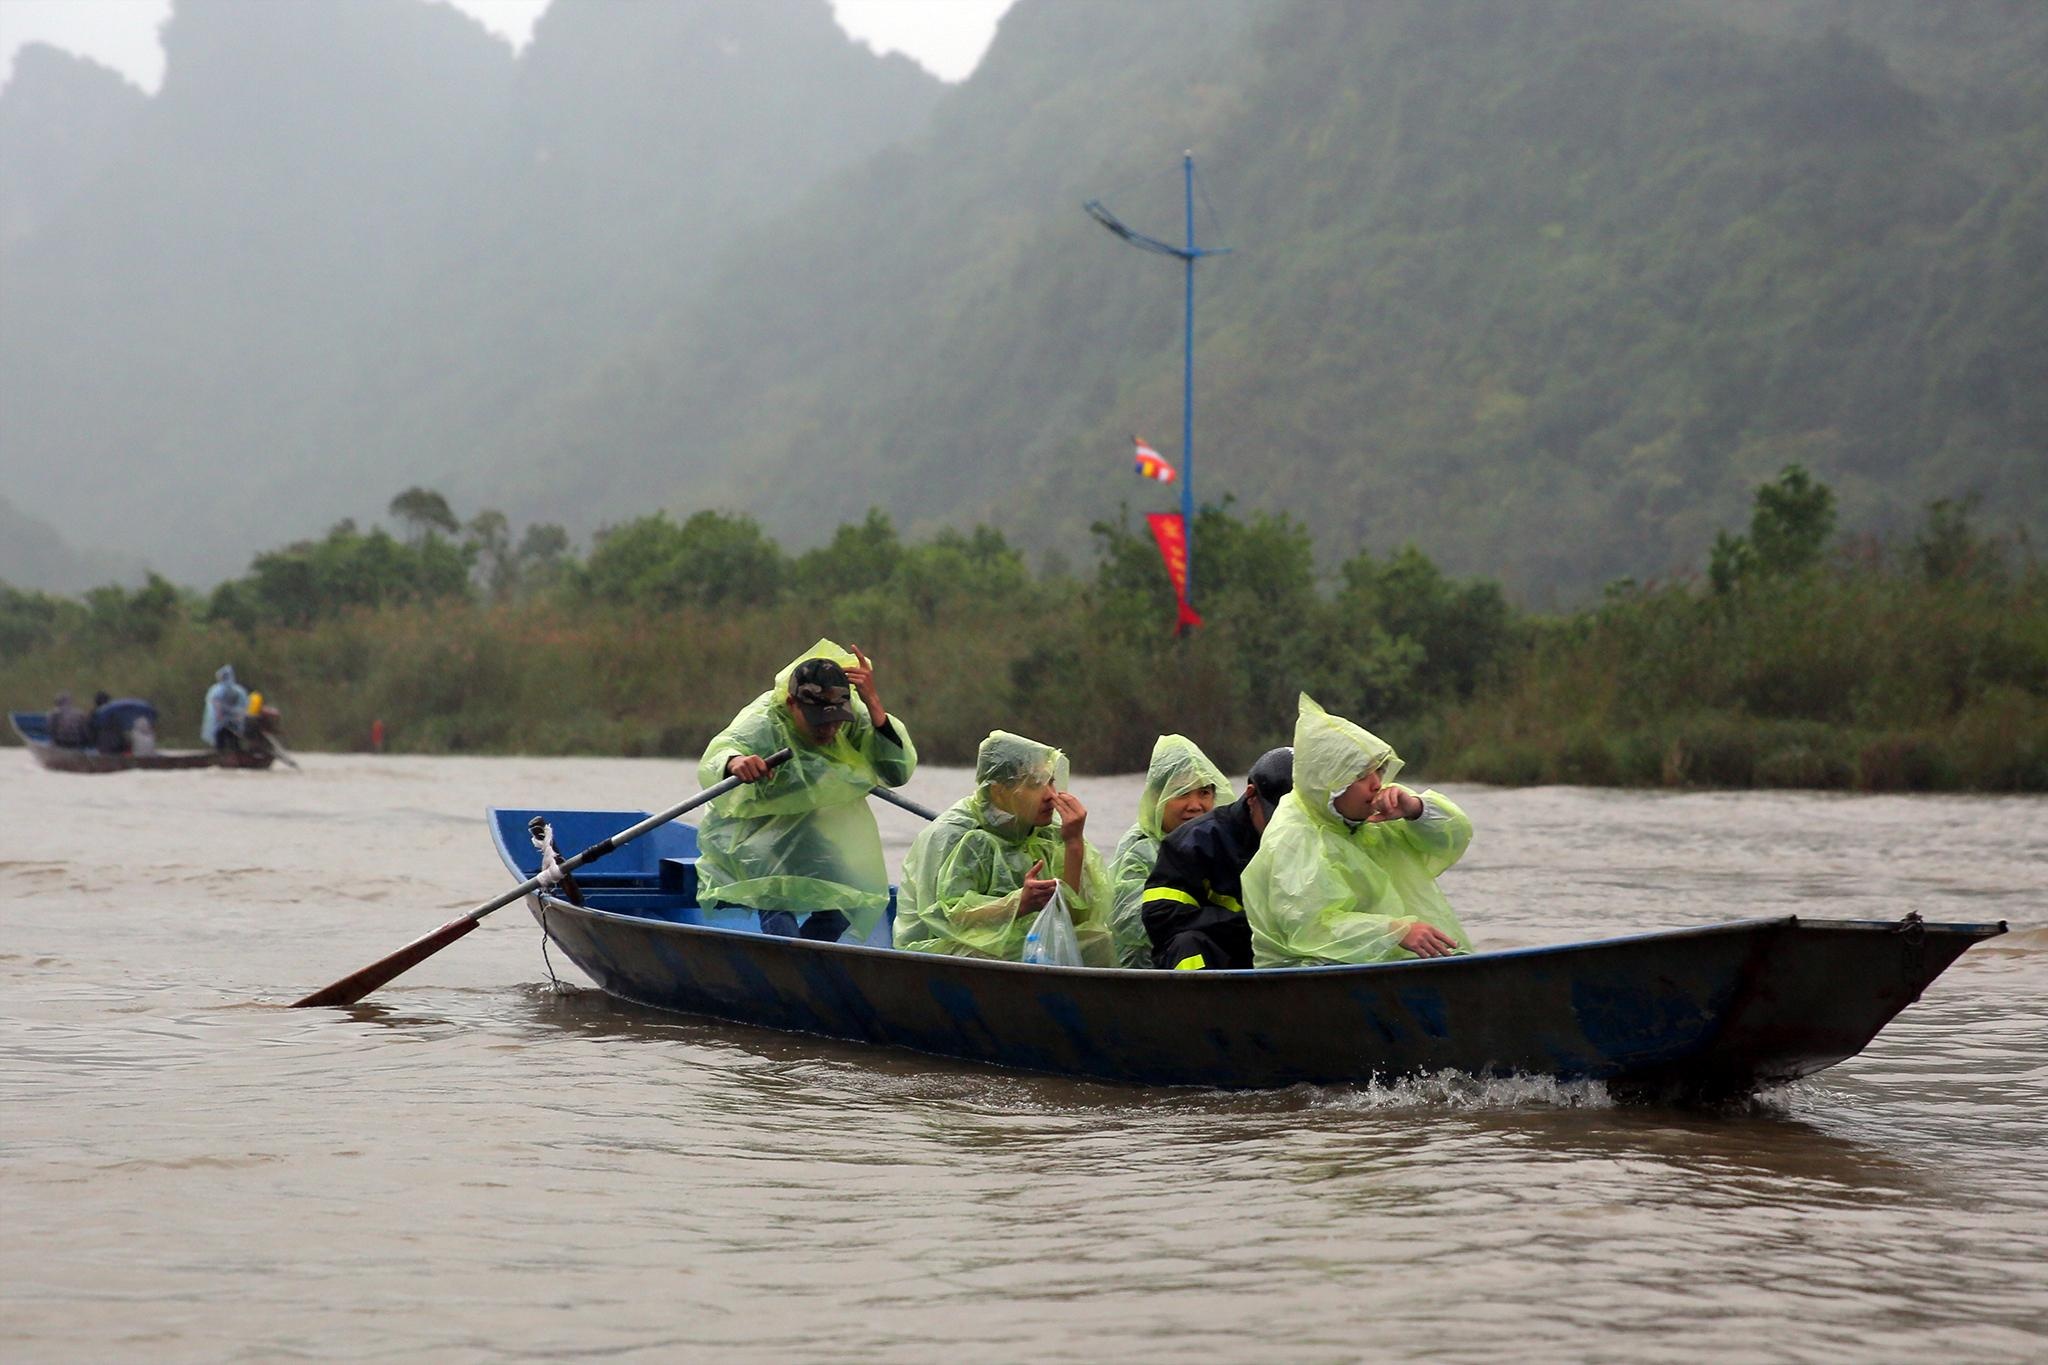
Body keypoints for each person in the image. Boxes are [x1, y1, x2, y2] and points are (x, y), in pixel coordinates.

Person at [696, 639, 915, 944]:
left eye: (835, 720)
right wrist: (736, 762)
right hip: (753, 830)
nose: (828, 729)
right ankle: (789, 962)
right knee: (775, 892)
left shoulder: (854, 717)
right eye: (818, 721)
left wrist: (875, 704)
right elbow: (717, 756)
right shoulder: (763, 722)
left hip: (812, 826)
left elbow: (897, 772)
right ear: (792, 704)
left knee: (851, 897)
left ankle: (807, 959)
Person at [1243, 694, 1475, 967]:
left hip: (1397, 965)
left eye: (1378, 770)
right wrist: (1394, 931)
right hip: (1309, 975)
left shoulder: (1381, 809)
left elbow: (1456, 838)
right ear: (1329, 782)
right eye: (1361, 776)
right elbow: (1310, 929)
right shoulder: (1293, 836)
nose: (1376, 783)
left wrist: (1416, 809)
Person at [895, 730, 1114, 965]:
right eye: (1035, 784)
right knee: (996, 956)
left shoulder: (1050, 831)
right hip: (938, 948)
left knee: (1097, 941)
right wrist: (1018, 904)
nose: (1051, 795)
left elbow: (1073, 919)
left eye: (1050, 781)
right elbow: (941, 919)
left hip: (1019, 940)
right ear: (999, 790)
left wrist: (1074, 844)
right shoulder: (951, 835)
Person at [1142, 746, 1293, 971]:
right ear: (1251, 796)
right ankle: (1199, 1002)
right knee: (1186, 943)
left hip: (1286, 959)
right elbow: (1161, 915)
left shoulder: (1316, 838)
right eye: (1276, 818)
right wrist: (1248, 924)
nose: (1283, 828)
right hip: (1221, 960)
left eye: (1292, 819)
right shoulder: (1193, 842)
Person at [1107, 735, 1234, 967]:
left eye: (1204, 793)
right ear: (1157, 799)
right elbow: (1132, 921)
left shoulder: (1220, 846)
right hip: (1149, 973)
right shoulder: (1140, 850)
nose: (1195, 805)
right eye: (1182, 793)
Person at [201, 665, 250, 752]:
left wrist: (220, 715)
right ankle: (226, 755)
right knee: (227, 739)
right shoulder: (228, 689)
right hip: (228, 721)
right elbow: (216, 703)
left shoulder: (220, 689)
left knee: (226, 740)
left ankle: (228, 755)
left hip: (228, 721)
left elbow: (217, 703)